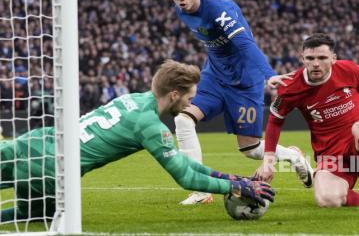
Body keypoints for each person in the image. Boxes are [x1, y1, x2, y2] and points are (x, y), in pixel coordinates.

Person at [0, 60, 275, 222]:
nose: (194, 102)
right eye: (191, 97)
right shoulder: (150, 126)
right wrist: (235, 186)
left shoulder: (131, 99)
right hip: (48, 171)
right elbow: (187, 178)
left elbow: (185, 163)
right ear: (175, 94)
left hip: (30, 144)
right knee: (33, 217)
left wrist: (233, 179)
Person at [165, 0, 313, 205]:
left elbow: (245, 44)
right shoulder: (181, 11)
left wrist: (268, 75)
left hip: (245, 81)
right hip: (214, 76)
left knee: (251, 149)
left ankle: (294, 156)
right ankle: (201, 190)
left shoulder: (219, 9)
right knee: (183, 120)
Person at [254, 33, 359, 209]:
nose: (316, 63)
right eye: (310, 58)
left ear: (333, 58)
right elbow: (275, 122)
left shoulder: (350, 70)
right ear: (302, 58)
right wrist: (268, 162)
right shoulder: (290, 88)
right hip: (331, 155)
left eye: (322, 58)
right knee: (327, 200)